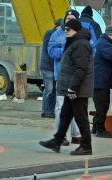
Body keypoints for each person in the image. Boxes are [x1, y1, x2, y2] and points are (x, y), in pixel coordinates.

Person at [39, 19, 94, 155]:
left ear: (75, 30)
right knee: (65, 114)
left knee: (81, 117)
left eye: (68, 30)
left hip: (77, 89)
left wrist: (73, 88)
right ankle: (57, 141)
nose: (65, 32)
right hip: (73, 87)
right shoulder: (74, 42)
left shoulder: (81, 44)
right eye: (65, 30)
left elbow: (80, 69)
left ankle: (86, 146)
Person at [48, 9, 81, 145]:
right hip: (62, 77)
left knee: (75, 106)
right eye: (67, 18)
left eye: (72, 18)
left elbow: (92, 49)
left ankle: (76, 135)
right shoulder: (57, 35)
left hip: (77, 77)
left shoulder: (82, 34)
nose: (69, 21)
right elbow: (51, 51)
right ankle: (61, 137)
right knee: (61, 107)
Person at [40, 18, 62, 118]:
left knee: (53, 91)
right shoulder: (50, 34)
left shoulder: (57, 34)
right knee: (49, 90)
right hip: (47, 66)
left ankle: (51, 110)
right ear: (58, 26)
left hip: (53, 67)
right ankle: (45, 111)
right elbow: (49, 50)